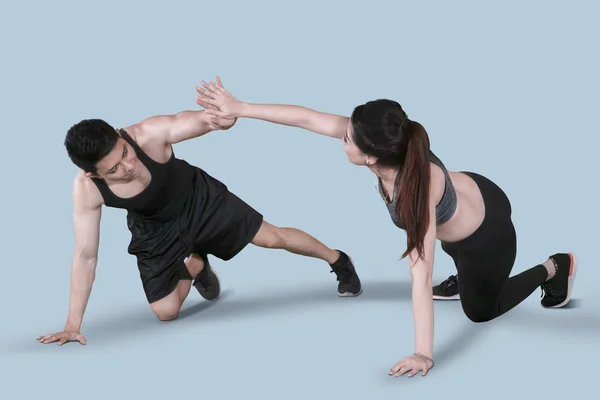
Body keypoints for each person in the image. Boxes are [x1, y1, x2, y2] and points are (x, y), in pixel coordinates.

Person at [195, 78, 578, 377]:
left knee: (480, 311)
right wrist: (239, 108)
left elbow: (419, 275)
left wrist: (423, 353)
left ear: (370, 157)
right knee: (452, 253)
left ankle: (555, 267)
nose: (341, 138)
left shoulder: (415, 196)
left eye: (347, 139)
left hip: (485, 236)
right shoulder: (392, 142)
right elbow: (308, 118)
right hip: (474, 196)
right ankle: (463, 277)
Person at [36, 80, 362, 347]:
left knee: (272, 237)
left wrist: (218, 120)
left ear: (121, 137)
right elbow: (85, 256)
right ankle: (197, 263)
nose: (129, 165)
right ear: (94, 175)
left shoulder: (150, 133)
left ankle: (337, 260)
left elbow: (194, 121)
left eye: (125, 152)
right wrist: (71, 324)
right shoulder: (87, 189)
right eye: (115, 169)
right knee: (165, 312)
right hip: (153, 228)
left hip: (199, 200)